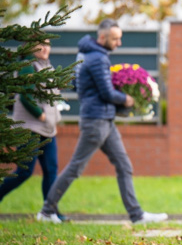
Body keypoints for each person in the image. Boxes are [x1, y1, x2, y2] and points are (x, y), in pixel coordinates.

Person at [37, 19, 167, 225]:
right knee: (75, 167)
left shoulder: (87, 54)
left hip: (104, 120)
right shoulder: (97, 58)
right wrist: (127, 99)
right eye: (115, 39)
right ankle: (46, 211)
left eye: (120, 38)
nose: (119, 43)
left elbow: (81, 87)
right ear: (103, 37)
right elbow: (106, 92)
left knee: (124, 165)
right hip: (96, 122)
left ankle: (137, 215)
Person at [0, 40, 63, 216]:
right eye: (40, 44)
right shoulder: (28, 67)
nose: (45, 48)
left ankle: (49, 212)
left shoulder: (47, 67)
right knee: (24, 172)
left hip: (48, 128)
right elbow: (26, 97)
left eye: (48, 44)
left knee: (51, 169)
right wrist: (41, 115)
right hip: (31, 127)